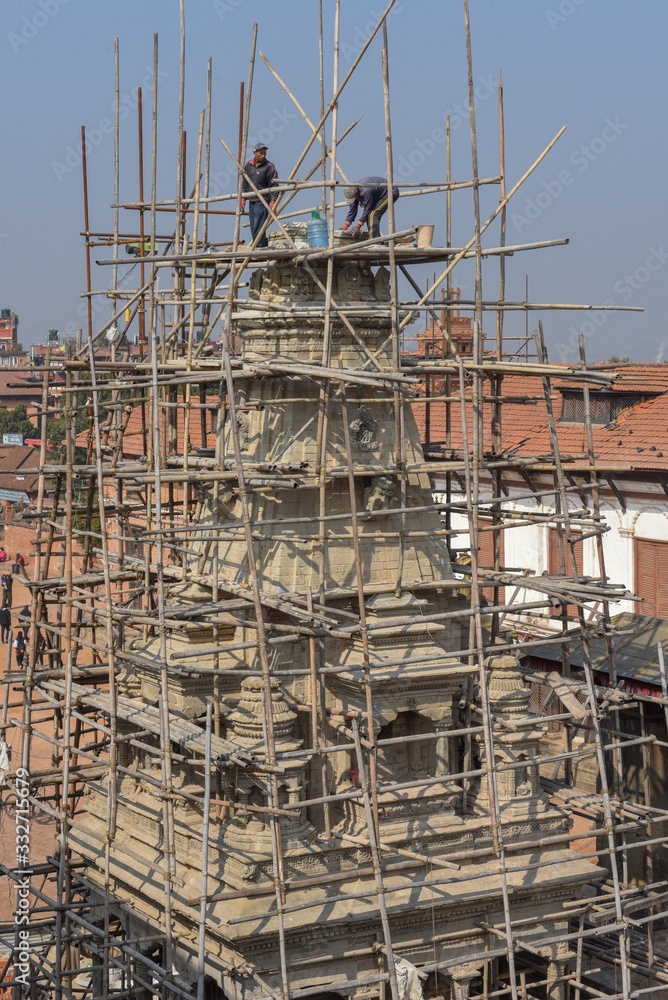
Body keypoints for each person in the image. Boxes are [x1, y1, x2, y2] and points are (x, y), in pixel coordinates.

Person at [240, 143, 278, 249]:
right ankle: (261, 245)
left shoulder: (269, 167)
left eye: (264, 153)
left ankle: (260, 247)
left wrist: (273, 202)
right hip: (252, 200)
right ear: (255, 153)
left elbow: (274, 186)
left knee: (259, 225)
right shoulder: (248, 165)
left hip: (263, 200)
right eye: (261, 153)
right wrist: (243, 198)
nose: (263, 155)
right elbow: (245, 183)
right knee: (253, 225)